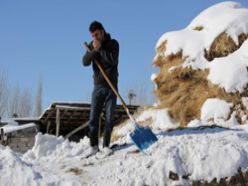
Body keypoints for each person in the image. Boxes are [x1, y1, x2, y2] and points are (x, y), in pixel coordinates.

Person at [82, 21, 119, 157]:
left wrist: (101, 49)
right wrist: (94, 51)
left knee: (109, 119)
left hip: (111, 87)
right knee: (93, 118)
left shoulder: (113, 44)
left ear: (102, 31)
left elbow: (113, 60)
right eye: (92, 35)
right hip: (98, 87)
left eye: (97, 34)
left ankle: (106, 146)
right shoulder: (93, 45)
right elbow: (85, 62)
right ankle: (93, 146)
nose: (95, 38)